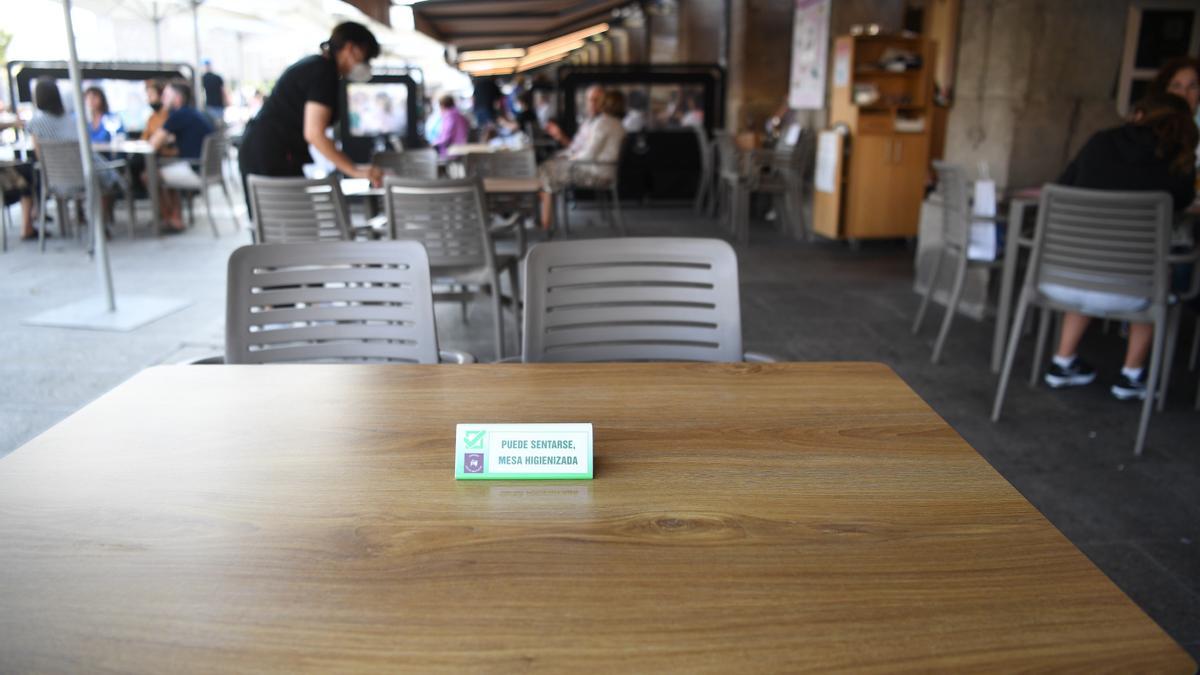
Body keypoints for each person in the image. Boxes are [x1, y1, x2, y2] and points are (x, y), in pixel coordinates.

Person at [1042, 92, 1197, 400]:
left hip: (1060, 279)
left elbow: (1061, 187)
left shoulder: (1100, 142)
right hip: (1131, 292)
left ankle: (1062, 360)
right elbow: (1181, 203)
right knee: (1160, 270)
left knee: (1093, 257)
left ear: (1139, 114)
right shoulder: (1177, 159)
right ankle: (1131, 374)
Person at [237, 21, 383, 216]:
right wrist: (354, 170)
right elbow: (314, 133)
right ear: (350, 48)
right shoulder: (323, 72)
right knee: (288, 224)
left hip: (263, 149)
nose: (366, 64)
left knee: (279, 225)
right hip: (270, 153)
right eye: (366, 57)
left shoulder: (316, 65)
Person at [25, 78, 123, 235]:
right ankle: (100, 224)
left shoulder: (35, 123)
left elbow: (39, 156)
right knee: (105, 176)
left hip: (56, 180)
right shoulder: (72, 121)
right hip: (87, 177)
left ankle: (82, 218)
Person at [538, 87, 626, 229]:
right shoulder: (618, 124)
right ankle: (545, 220)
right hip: (604, 172)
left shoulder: (603, 122)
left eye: (598, 100)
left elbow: (589, 154)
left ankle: (545, 222)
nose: (594, 103)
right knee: (549, 168)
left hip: (596, 174)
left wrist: (571, 159)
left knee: (547, 170)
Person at [148, 80, 214, 233]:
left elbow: (153, 143)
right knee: (165, 170)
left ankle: (170, 218)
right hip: (203, 168)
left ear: (177, 98)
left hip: (195, 169)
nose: (162, 99)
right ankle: (175, 216)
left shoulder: (178, 115)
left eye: (166, 95)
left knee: (149, 175)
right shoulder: (193, 113)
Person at [431, 94, 470, 159]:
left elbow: (446, 135)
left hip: (453, 147)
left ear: (442, 105)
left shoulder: (449, 116)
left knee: (436, 149)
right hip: (463, 145)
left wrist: (436, 142)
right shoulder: (459, 114)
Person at [200, 59, 228, 123]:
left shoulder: (203, 78)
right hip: (216, 105)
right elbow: (223, 91)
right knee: (219, 123)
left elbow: (223, 91)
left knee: (213, 123)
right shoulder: (217, 77)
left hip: (212, 105)